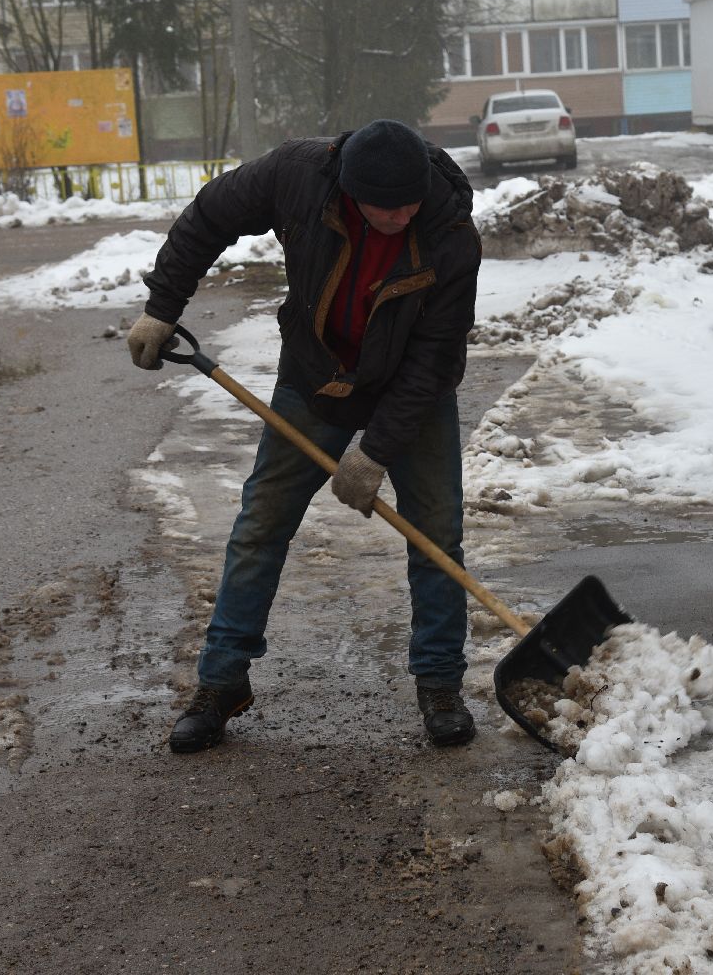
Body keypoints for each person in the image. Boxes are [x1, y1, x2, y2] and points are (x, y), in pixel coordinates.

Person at [126, 119, 482, 752]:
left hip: (414, 392)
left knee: (436, 535)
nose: (402, 215)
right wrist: (162, 306)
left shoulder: (449, 230)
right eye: (385, 206)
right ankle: (221, 682)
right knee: (261, 523)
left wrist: (374, 453)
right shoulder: (297, 176)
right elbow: (209, 215)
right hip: (317, 377)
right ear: (349, 191)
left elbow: (434, 359)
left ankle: (440, 685)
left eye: (411, 202)